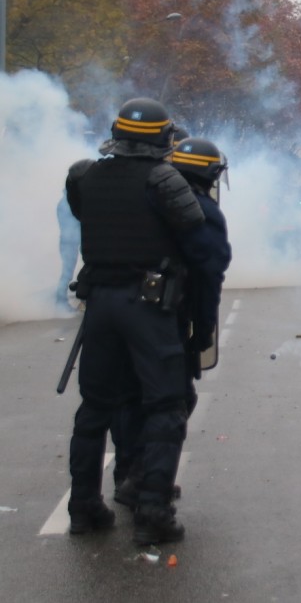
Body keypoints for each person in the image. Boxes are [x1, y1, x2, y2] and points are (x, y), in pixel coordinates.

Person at [64, 97, 220, 545]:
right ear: (163, 138)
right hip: (148, 306)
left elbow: (84, 215)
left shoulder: (83, 175)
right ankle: (153, 512)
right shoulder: (164, 180)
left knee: (95, 407)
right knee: (166, 407)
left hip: (99, 305)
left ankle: (84, 507)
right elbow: (193, 235)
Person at [113, 137, 232, 509]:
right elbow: (208, 275)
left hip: (115, 309)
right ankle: (146, 484)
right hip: (163, 316)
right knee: (174, 401)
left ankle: (126, 475)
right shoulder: (200, 210)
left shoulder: (143, 195)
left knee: (129, 397)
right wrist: (204, 329)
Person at [55, 190, 81, 314]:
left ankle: (62, 301)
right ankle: (60, 302)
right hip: (70, 242)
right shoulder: (67, 203)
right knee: (67, 273)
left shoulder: (63, 203)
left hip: (70, 241)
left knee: (67, 272)